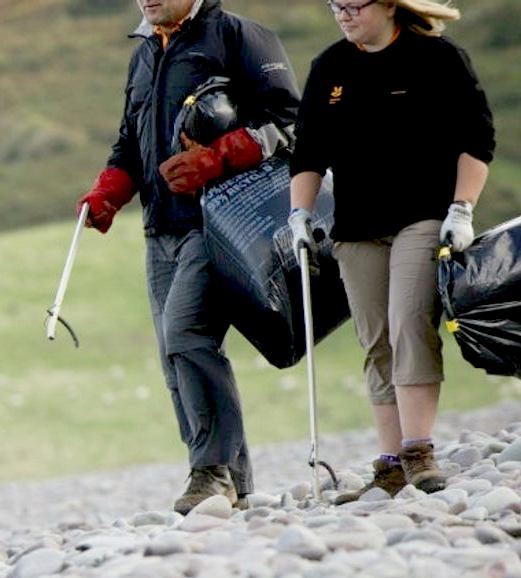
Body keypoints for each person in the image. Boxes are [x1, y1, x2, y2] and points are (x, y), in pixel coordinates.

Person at [75, 0, 299, 513]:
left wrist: (218, 157)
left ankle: (209, 473)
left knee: (188, 336)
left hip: (222, 222)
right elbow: (130, 140)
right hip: (160, 229)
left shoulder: (242, 38)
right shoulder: (144, 53)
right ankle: (238, 488)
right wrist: (111, 188)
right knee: (173, 358)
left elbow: (289, 121)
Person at [287, 0, 493, 502]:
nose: (342, 14)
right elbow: (308, 150)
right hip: (354, 227)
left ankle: (418, 449)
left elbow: (477, 139)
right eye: (334, 5)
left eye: (353, 5)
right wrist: (299, 215)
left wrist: (462, 209)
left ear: (386, 5)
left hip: (422, 215)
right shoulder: (330, 66)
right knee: (375, 337)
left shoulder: (437, 58)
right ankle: (391, 462)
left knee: (408, 324)